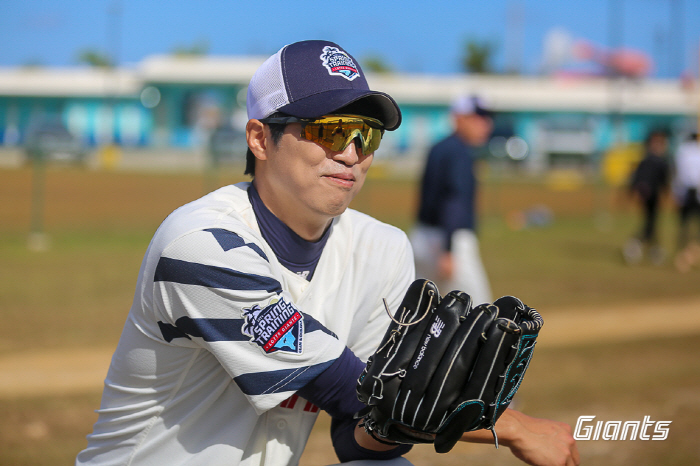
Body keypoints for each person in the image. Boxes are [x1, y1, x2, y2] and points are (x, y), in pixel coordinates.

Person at [76, 40, 578, 466]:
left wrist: (392, 420)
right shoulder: (202, 243)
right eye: (328, 129)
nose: (351, 153)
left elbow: (357, 430)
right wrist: (511, 426)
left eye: (366, 135)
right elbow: (346, 386)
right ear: (260, 139)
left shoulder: (380, 249)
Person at [410, 95, 493, 305]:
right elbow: (453, 200)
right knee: (479, 311)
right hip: (450, 240)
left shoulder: (439, 148)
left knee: (421, 310)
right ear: (459, 118)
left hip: (422, 236)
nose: (486, 124)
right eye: (478, 117)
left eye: (487, 118)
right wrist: (448, 250)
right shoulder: (460, 152)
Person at [622, 129, 671, 265]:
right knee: (650, 224)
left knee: (652, 224)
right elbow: (662, 180)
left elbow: (635, 179)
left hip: (649, 196)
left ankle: (655, 251)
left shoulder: (649, 160)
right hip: (650, 196)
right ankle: (636, 246)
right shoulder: (655, 161)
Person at [672, 132, 700, 272]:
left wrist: (676, 192)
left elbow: (678, 174)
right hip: (691, 192)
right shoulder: (687, 151)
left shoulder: (682, 151)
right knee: (687, 226)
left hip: (688, 192)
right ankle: (688, 254)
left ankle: (688, 253)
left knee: (685, 226)